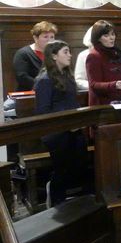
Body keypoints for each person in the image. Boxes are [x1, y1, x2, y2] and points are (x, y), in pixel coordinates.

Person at [34, 40, 89, 206]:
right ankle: (57, 200)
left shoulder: (67, 76)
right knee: (63, 168)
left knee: (81, 162)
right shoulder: (44, 80)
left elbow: (72, 103)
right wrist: (67, 124)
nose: (70, 55)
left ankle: (75, 204)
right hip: (56, 132)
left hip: (73, 128)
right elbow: (43, 112)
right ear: (53, 55)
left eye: (69, 52)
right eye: (66, 52)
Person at [85, 20, 121, 106]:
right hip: (103, 105)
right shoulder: (93, 56)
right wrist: (115, 85)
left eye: (113, 34)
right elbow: (93, 84)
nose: (111, 38)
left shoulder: (117, 53)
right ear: (97, 38)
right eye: (106, 35)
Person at [13, 21, 58, 91]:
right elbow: (22, 77)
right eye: (45, 37)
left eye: (52, 37)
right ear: (35, 38)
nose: (50, 40)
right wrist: (44, 86)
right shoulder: (23, 53)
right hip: (30, 94)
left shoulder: (55, 54)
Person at [74, 26, 93, 91]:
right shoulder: (83, 55)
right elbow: (79, 80)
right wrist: (95, 87)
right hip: (92, 93)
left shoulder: (114, 53)